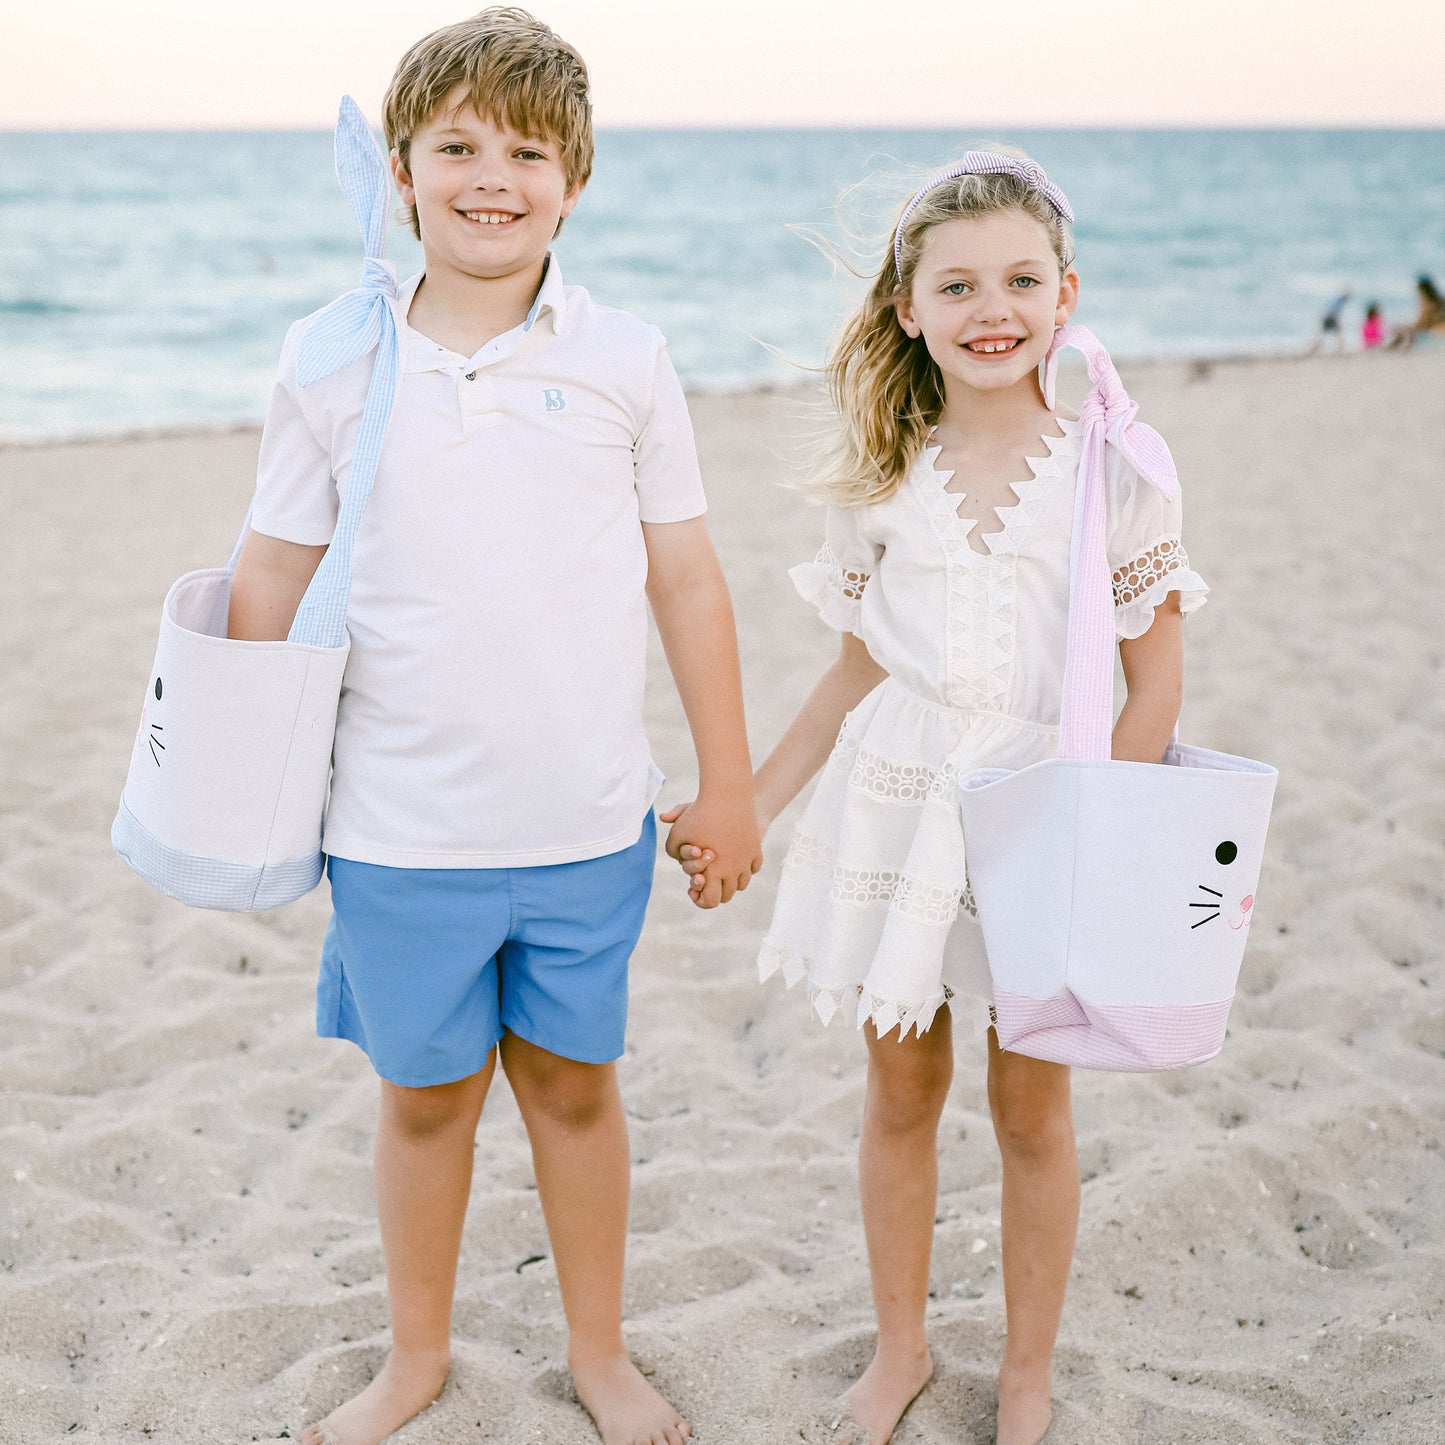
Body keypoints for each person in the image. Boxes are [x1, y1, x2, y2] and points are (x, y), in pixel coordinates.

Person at [227, 10, 760, 1445]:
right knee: (424, 1104)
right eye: (455, 144)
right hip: (398, 830)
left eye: (526, 151)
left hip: (588, 821)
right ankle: (415, 1357)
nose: (490, 177)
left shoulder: (625, 357)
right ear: (400, 169)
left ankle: (598, 1350)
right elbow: (270, 571)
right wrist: (235, 776)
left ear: (572, 180)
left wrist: (729, 786)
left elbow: (688, 578)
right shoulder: (332, 356)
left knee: (577, 1095)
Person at [673, 150, 1208, 1445]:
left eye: (1021, 279)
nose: (992, 307)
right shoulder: (884, 476)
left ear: (1066, 293)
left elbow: (1154, 686)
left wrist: (1099, 839)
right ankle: (899, 1349)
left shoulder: (1113, 468)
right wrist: (741, 799)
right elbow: (849, 672)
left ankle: (1025, 1373)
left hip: (1049, 811)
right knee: (899, 1090)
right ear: (907, 308)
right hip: (901, 810)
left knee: (1031, 1104)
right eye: (957, 283)